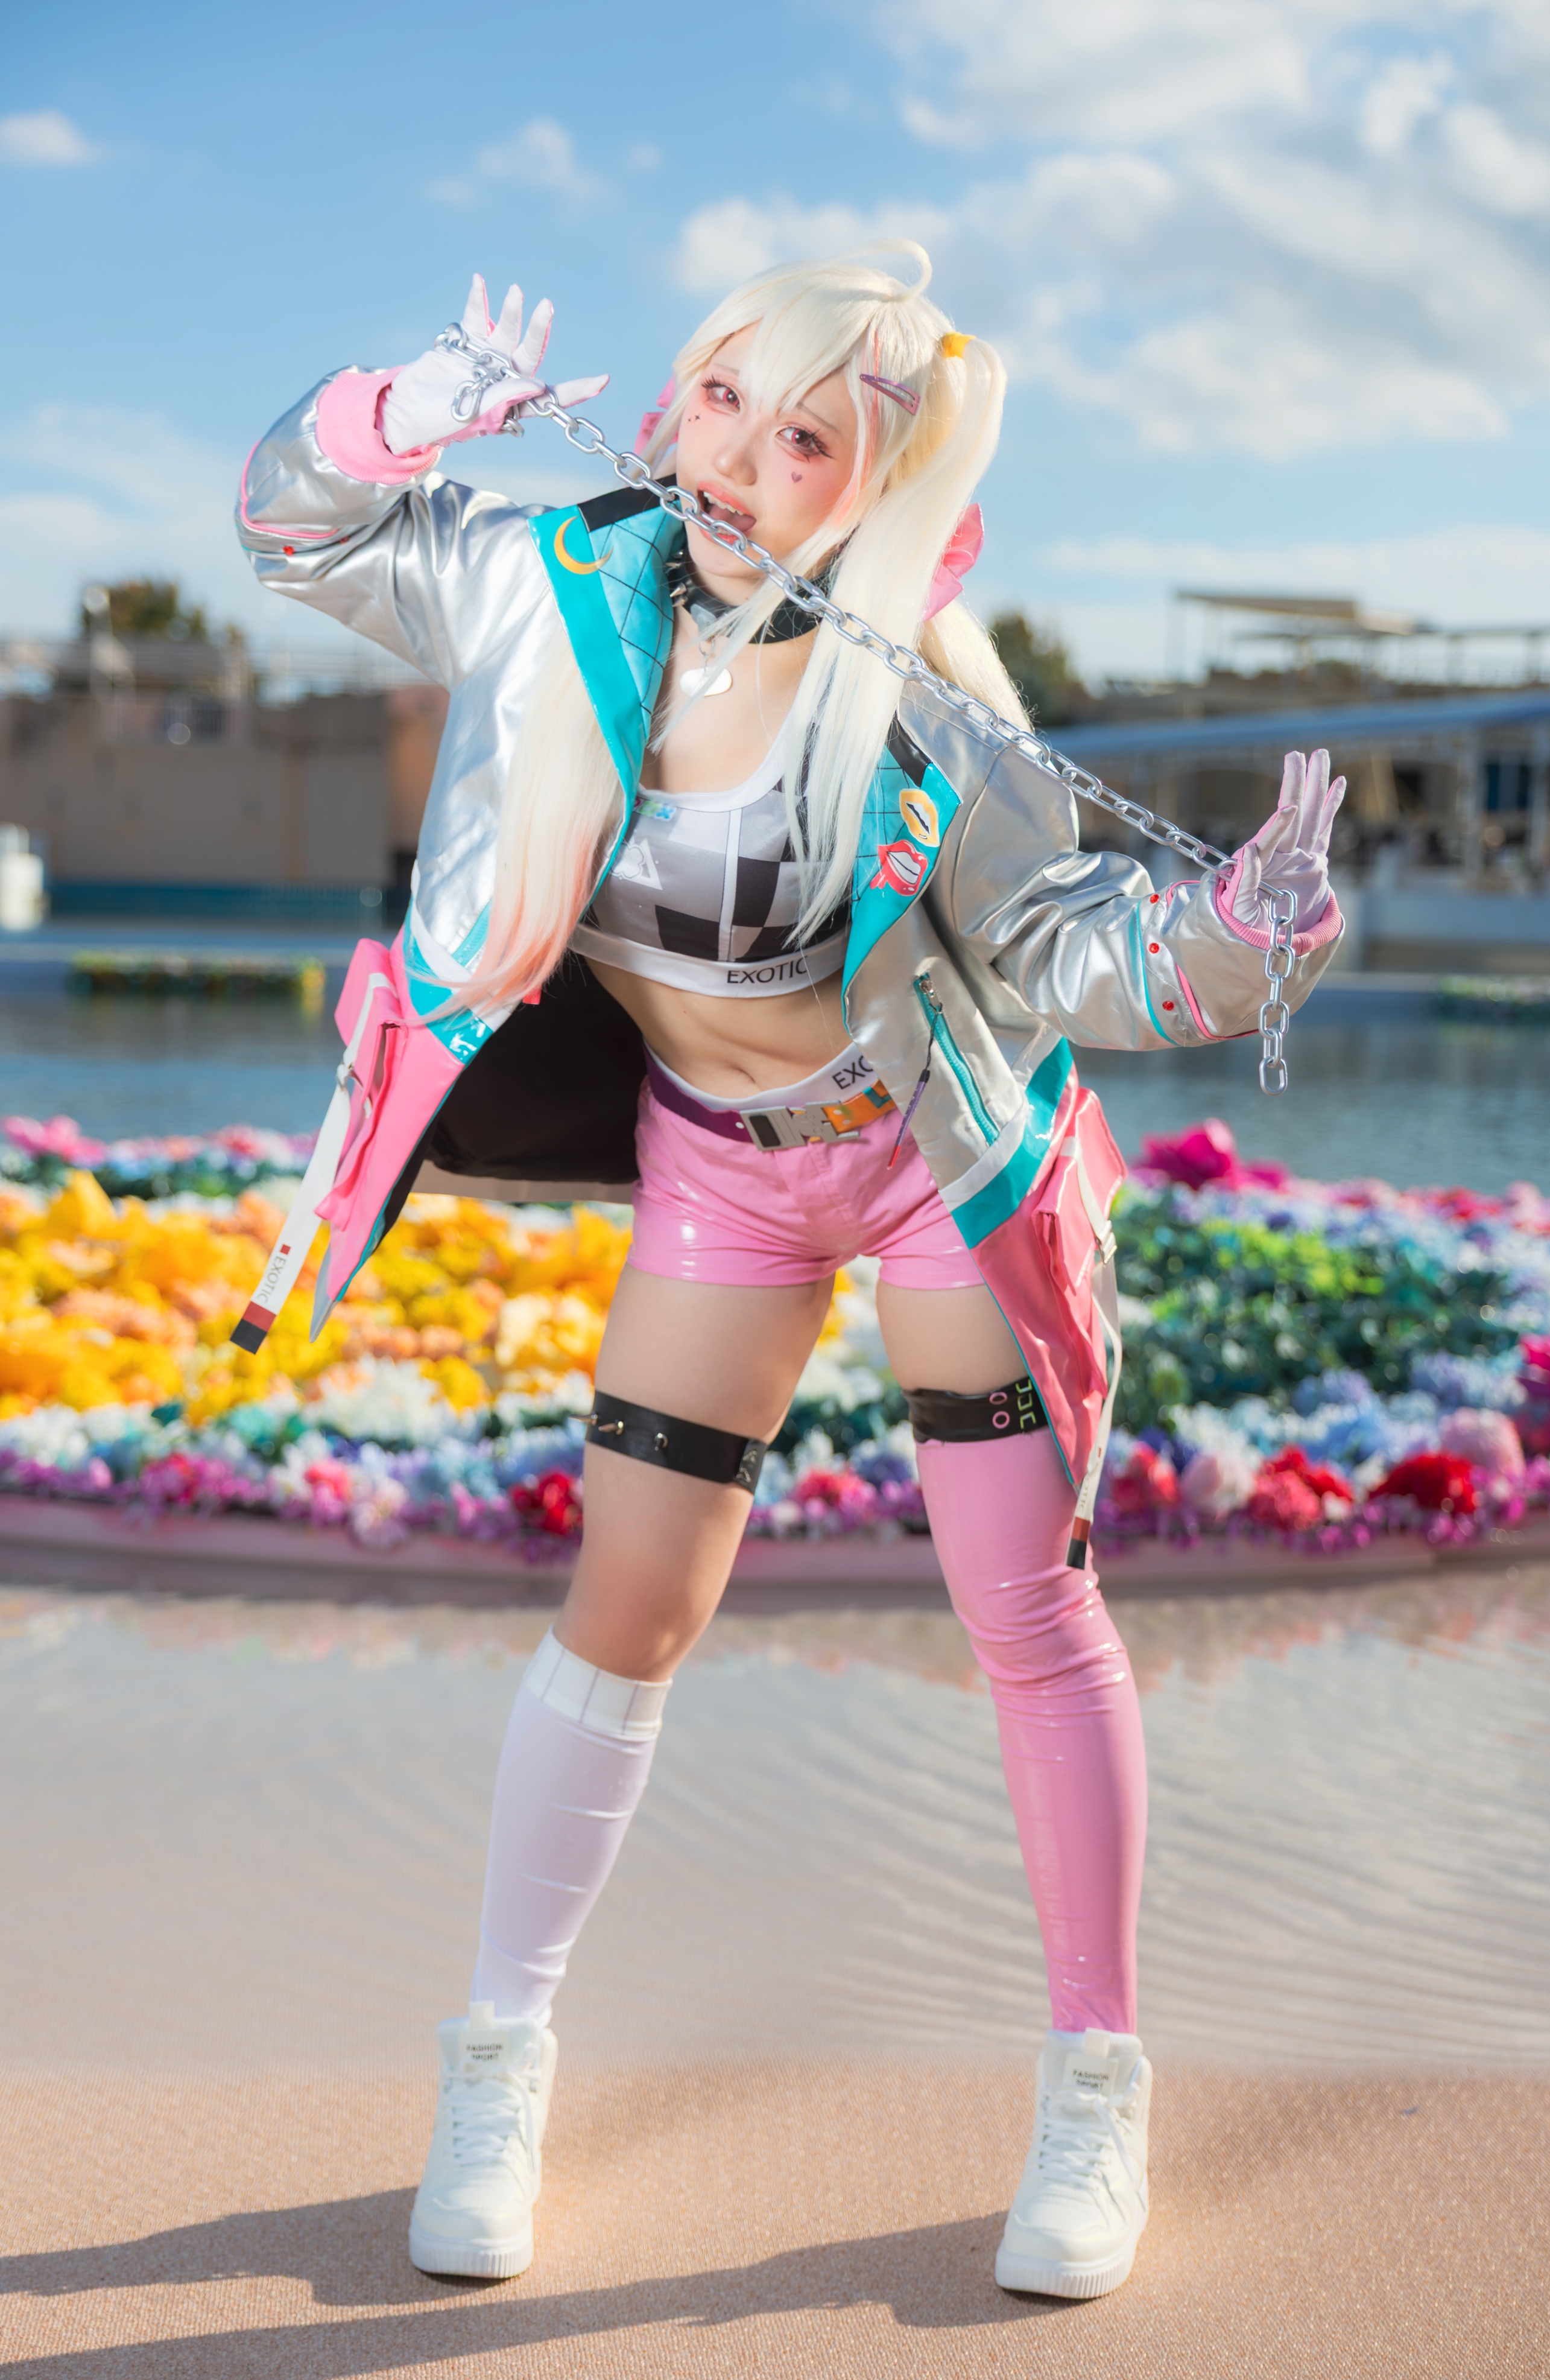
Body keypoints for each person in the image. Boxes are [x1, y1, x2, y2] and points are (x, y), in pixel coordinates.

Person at [234, 243, 1346, 2301]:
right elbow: (292, 527)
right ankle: (498, 2060)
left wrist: (1240, 933)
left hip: (938, 1161)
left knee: (1026, 1607)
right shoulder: (540, 585)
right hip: (717, 1176)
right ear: (674, 396)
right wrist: (397, 416)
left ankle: (1096, 2083)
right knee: (628, 1606)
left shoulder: (914, 682)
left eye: (810, 436)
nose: (745, 458)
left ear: (873, 483)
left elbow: (1075, 949)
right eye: (729, 397)